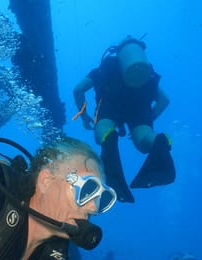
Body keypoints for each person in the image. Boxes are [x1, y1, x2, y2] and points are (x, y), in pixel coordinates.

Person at [72, 35, 173, 203]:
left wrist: (84, 117)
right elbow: (165, 100)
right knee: (144, 141)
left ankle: (109, 138)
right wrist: (148, 120)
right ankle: (159, 140)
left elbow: (78, 89)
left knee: (103, 131)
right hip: (139, 106)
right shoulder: (146, 76)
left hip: (110, 104)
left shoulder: (105, 69)